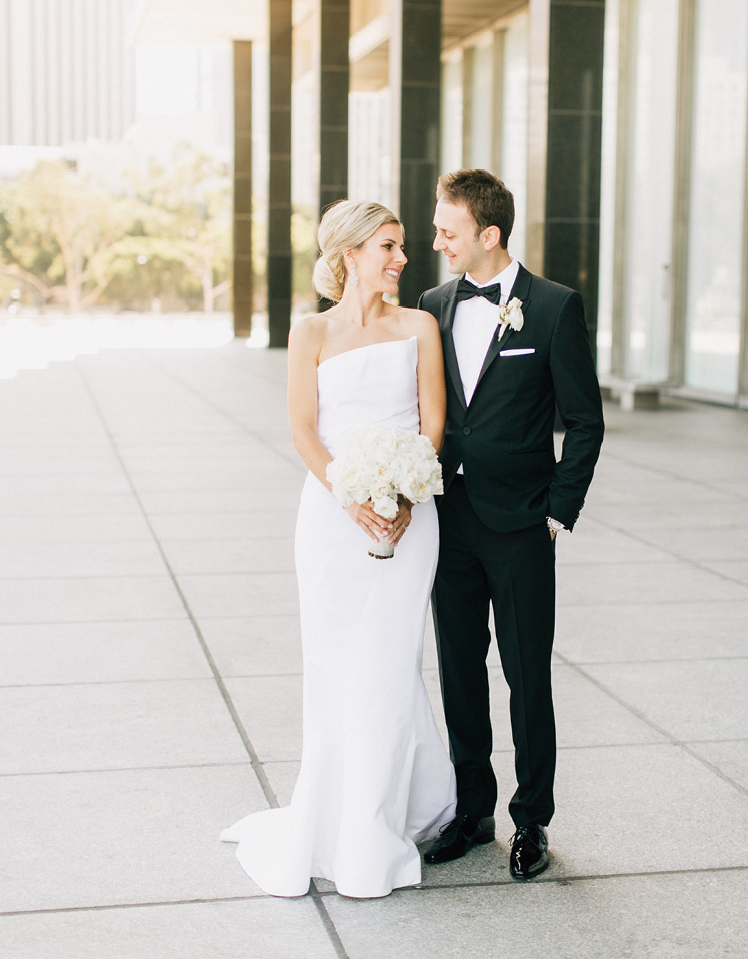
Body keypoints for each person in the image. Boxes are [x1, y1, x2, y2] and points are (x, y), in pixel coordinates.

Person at [221, 200, 456, 899]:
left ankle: (378, 826)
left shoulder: (419, 326)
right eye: (389, 245)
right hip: (330, 521)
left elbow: (434, 422)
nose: (402, 257)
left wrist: (404, 496)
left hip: (409, 522)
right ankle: (333, 818)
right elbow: (302, 430)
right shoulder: (310, 332)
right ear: (351, 253)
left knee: (388, 663)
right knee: (333, 666)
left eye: (404, 246)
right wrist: (351, 497)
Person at [419, 169, 604, 881]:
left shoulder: (555, 307)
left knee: (527, 675)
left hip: (524, 525)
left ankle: (532, 821)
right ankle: (472, 812)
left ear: (488, 235)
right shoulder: (435, 304)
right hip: (449, 518)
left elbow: (584, 421)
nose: (437, 242)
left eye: (448, 230)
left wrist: (560, 510)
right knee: (460, 671)